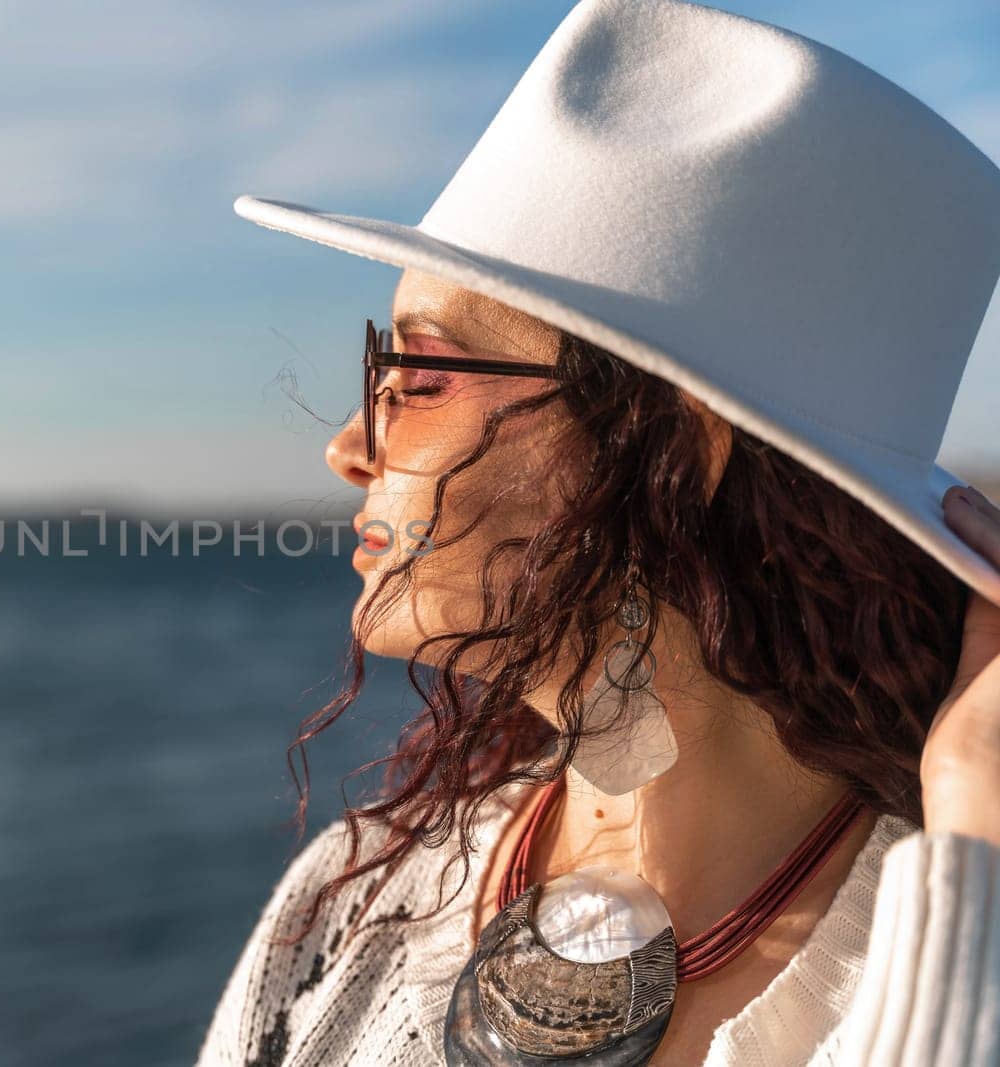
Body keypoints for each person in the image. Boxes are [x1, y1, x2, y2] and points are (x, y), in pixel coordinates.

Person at [195, 1, 1000, 1064]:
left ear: (678, 447)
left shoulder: (962, 923)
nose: (350, 442)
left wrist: (978, 823)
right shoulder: (352, 900)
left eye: (420, 375)